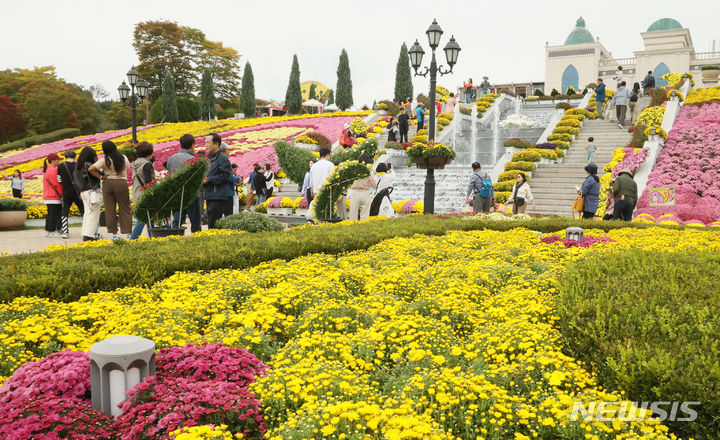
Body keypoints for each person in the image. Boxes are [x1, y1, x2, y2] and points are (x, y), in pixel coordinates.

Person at [89, 140, 131, 239]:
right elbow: (128, 167)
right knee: (125, 208)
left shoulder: (105, 159)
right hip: (122, 183)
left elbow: (91, 168)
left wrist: (100, 176)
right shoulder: (123, 157)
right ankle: (128, 233)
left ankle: (115, 234)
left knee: (110, 209)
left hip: (108, 183)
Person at [168, 134, 202, 233]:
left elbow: (170, 176)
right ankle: (197, 242)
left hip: (177, 194)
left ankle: (173, 237)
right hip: (192, 194)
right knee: (195, 223)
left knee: (177, 221)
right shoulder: (194, 160)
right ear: (192, 145)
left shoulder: (171, 158)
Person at [203, 133, 233, 228]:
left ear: (216, 144)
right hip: (210, 194)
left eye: (208, 142)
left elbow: (226, 175)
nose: (205, 145)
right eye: (205, 142)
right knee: (211, 221)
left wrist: (209, 179)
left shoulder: (222, 158)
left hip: (217, 194)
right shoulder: (209, 158)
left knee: (214, 222)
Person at [74, 147, 103, 241]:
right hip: (92, 191)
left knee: (87, 214)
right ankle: (89, 236)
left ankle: (86, 235)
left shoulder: (78, 166)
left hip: (84, 192)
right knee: (93, 214)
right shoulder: (89, 165)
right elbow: (100, 174)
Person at [129, 141, 156, 239]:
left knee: (150, 217)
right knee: (143, 218)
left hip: (137, 193)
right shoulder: (147, 164)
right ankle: (133, 238)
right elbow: (149, 183)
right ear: (148, 153)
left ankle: (152, 237)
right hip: (145, 195)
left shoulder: (135, 164)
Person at [56, 150, 85, 238]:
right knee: (83, 211)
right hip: (78, 192)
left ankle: (65, 232)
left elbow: (59, 180)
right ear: (75, 157)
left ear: (65, 157)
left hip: (66, 191)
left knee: (65, 211)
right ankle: (85, 231)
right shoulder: (79, 165)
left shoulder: (60, 166)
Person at [348, 154, 376, 221]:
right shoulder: (369, 170)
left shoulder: (355, 169)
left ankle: (351, 229)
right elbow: (374, 184)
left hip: (355, 192)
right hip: (365, 193)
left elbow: (349, 181)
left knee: (353, 215)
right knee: (365, 215)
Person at [309, 148, 335, 217]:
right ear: (327, 155)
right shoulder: (330, 165)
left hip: (316, 191)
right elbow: (333, 178)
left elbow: (311, 181)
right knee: (326, 212)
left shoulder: (314, 166)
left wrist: (311, 191)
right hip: (326, 191)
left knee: (317, 210)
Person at [42, 153, 63, 237]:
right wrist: (62, 195)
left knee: (50, 214)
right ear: (54, 160)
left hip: (48, 195)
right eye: (58, 159)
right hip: (54, 196)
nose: (60, 161)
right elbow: (58, 184)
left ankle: (49, 230)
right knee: (54, 214)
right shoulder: (54, 170)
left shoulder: (47, 169)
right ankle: (52, 231)